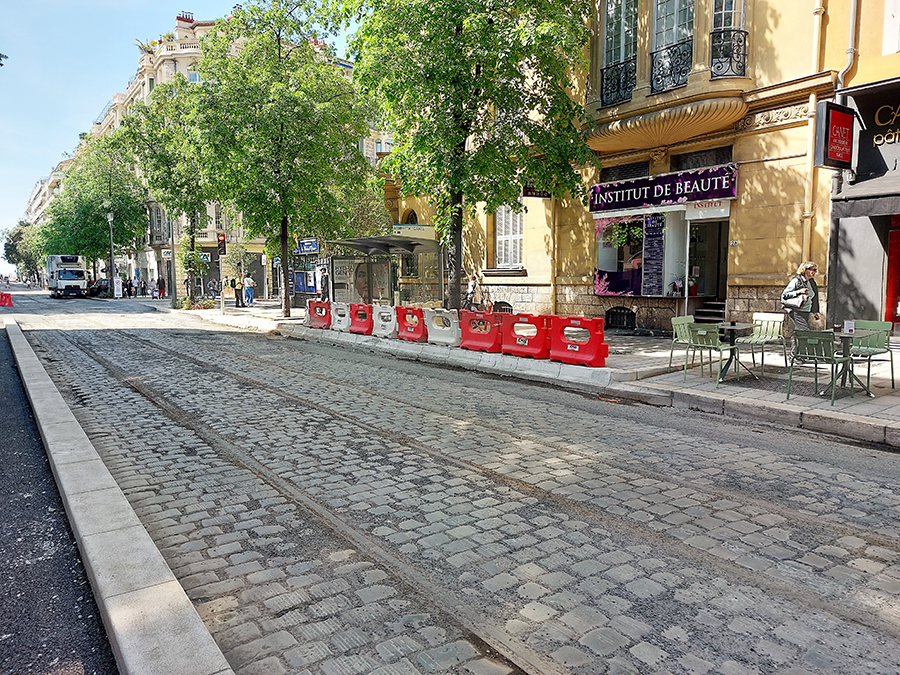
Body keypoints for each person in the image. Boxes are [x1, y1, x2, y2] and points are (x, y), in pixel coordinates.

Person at [781, 261, 820, 332]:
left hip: (806, 311)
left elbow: (814, 297)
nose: (813, 272)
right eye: (811, 269)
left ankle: (795, 342)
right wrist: (798, 292)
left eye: (815, 270)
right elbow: (784, 295)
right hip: (796, 311)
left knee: (800, 331)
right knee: (804, 331)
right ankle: (800, 343)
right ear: (804, 270)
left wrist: (815, 312)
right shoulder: (796, 281)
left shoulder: (811, 282)